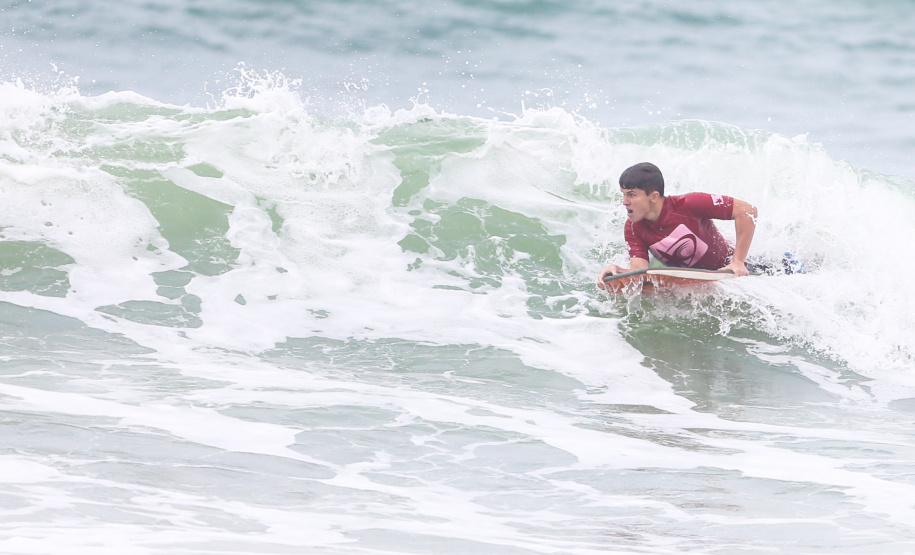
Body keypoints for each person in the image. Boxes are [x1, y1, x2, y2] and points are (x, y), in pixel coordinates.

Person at [597, 162, 758, 289]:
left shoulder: (688, 205)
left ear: (654, 196)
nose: (624, 201)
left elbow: (746, 211)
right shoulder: (634, 227)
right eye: (623, 194)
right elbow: (640, 271)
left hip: (745, 271)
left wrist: (738, 261)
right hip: (705, 283)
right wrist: (616, 272)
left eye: (631, 194)